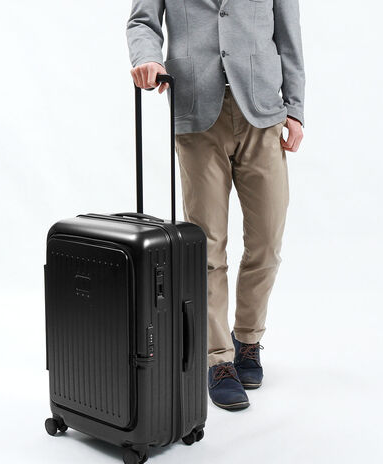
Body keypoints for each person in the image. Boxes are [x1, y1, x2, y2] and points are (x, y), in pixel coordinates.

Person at [127, 0, 305, 411]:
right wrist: (147, 58)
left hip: (263, 111)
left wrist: (295, 108)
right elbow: (142, 21)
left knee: (267, 244)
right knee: (206, 251)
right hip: (195, 108)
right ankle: (218, 359)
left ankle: (248, 340)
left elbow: (289, 34)